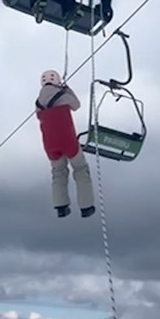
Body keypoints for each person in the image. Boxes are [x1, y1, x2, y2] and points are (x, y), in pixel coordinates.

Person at [34, 69, 95, 218]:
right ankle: (86, 207)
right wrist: (67, 89)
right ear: (57, 80)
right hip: (67, 139)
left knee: (58, 173)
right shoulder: (63, 96)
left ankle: (61, 206)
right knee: (80, 169)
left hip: (49, 143)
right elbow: (76, 105)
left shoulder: (38, 102)